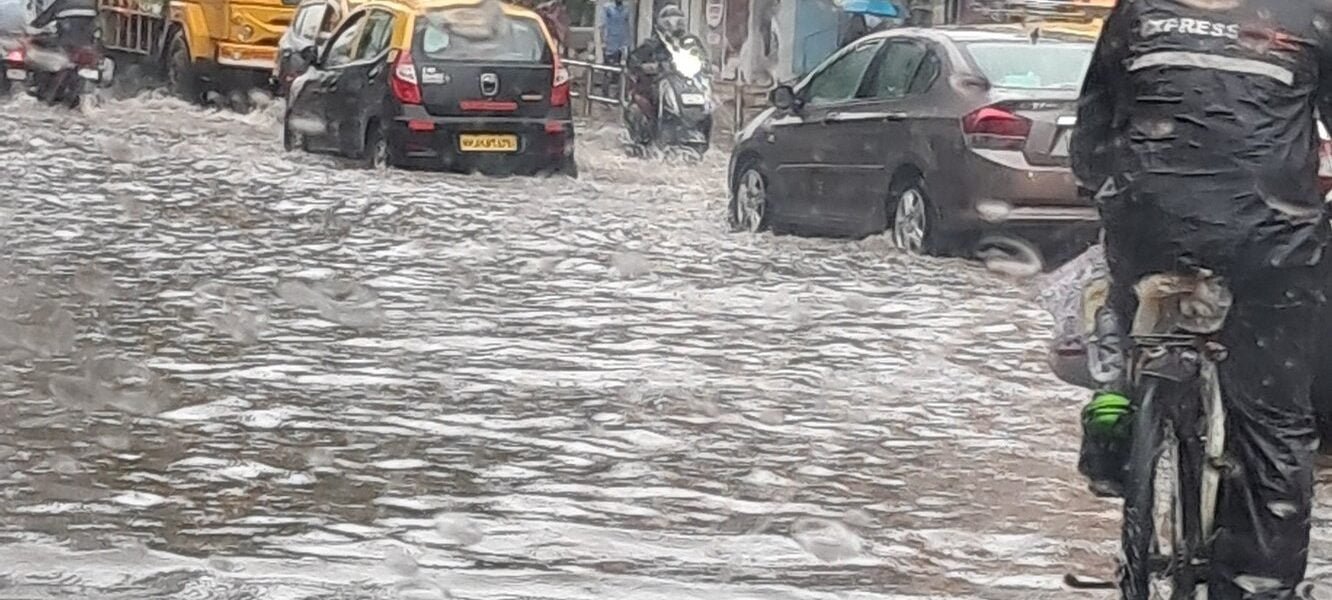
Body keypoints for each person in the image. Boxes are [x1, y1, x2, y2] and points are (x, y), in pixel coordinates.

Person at [1070, 0, 1332, 596]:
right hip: (1267, 241)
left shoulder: (1138, 11)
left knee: (1124, 311)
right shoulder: (1314, 16)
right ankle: (1259, 583)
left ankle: (1118, 413)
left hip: (1148, 227)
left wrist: (1103, 193)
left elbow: (1094, 127)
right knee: (1274, 421)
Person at [622, 4, 690, 142]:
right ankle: (648, 134)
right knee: (645, 105)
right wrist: (648, 67)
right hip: (655, 86)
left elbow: (702, 59)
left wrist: (709, 66)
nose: (675, 30)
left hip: (683, 86)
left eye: (679, 26)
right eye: (671, 25)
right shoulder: (651, 44)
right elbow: (633, 61)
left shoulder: (689, 45)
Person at [30, 0, 96, 49]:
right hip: (89, 14)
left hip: (69, 18)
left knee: (65, 42)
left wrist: (36, 24)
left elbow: (47, 15)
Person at [599, 0, 631, 95]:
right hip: (610, 44)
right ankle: (605, 95)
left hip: (622, 44)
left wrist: (627, 44)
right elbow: (602, 26)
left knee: (622, 71)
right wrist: (603, 42)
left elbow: (627, 27)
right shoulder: (608, 8)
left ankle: (619, 95)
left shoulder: (626, 10)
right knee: (608, 72)